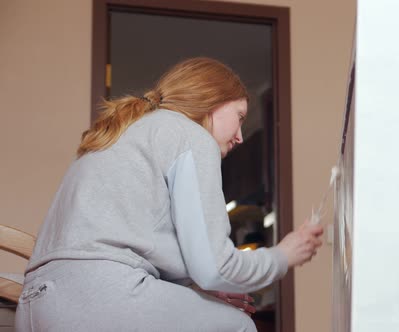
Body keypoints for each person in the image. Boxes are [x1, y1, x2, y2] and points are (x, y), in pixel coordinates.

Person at [15, 57, 324, 332]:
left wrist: (199, 288)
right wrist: (283, 255)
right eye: (240, 116)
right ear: (212, 101)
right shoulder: (190, 136)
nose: (241, 136)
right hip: (98, 300)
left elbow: (131, 245)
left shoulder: (121, 134)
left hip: (35, 305)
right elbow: (217, 267)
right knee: (237, 325)